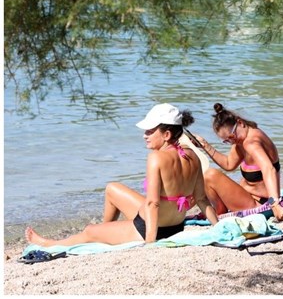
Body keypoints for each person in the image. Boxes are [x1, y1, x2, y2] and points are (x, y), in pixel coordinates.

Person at [26, 104, 219, 246]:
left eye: (150, 131)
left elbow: (153, 203)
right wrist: (217, 228)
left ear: (166, 134)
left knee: (89, 231)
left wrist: (150, 243)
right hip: (176, 225)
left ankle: (50, 243)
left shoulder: (157, 158)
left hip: (150, 228)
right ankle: (107, 233)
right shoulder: (192, 155)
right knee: (112, 189)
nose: (145, 135)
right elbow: (202, 199)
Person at [192, 103, 283, 221]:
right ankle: (219, 211)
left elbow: (269, 169)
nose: (232, 141)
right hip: (250, 198)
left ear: (240, 123)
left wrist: (275, 204)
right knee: (208, 177)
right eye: (227, 141)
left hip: (260, 204)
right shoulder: (241, 140)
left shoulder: (251, 142)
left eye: (232, 137)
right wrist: (205, 146)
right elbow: (229, 164)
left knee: (210, 174)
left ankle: (218, 214)